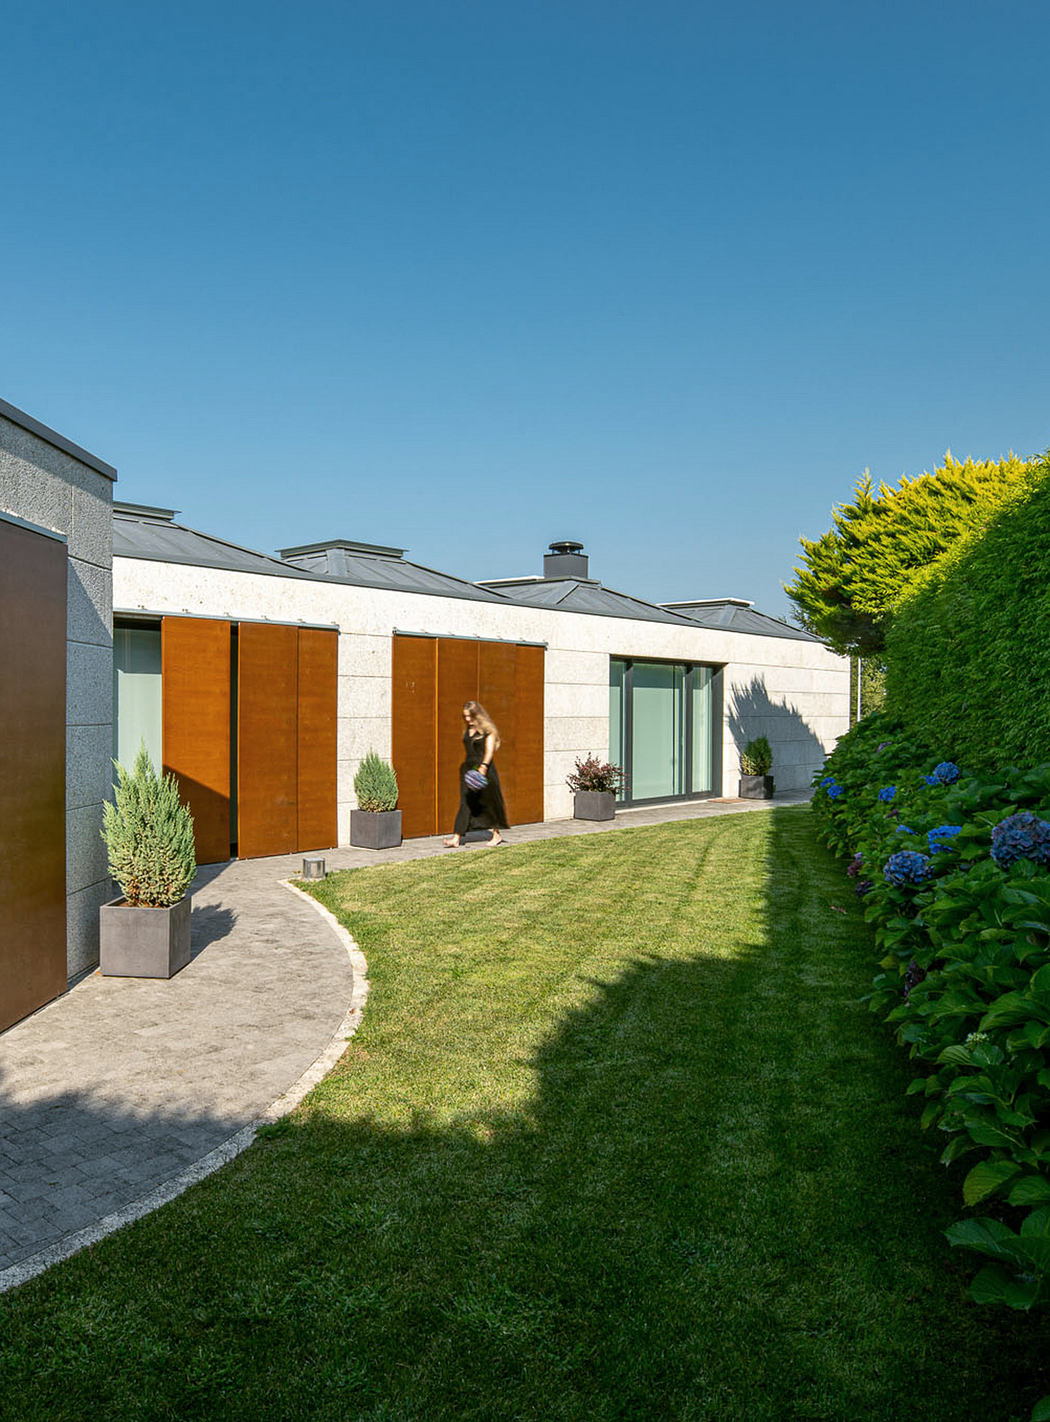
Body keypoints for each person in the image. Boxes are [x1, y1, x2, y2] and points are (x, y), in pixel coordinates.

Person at [443, 701, 509, 847]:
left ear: (477, 714)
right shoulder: (468, 729)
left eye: (470, 716)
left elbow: (489, 751)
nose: (467, 719)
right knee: (465, 802)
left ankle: (496, 834)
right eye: (465, 716)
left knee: (489, 803)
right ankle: (456, 838)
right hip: (469, 770)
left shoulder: (488, 731)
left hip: (483, 771)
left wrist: (483, 767)